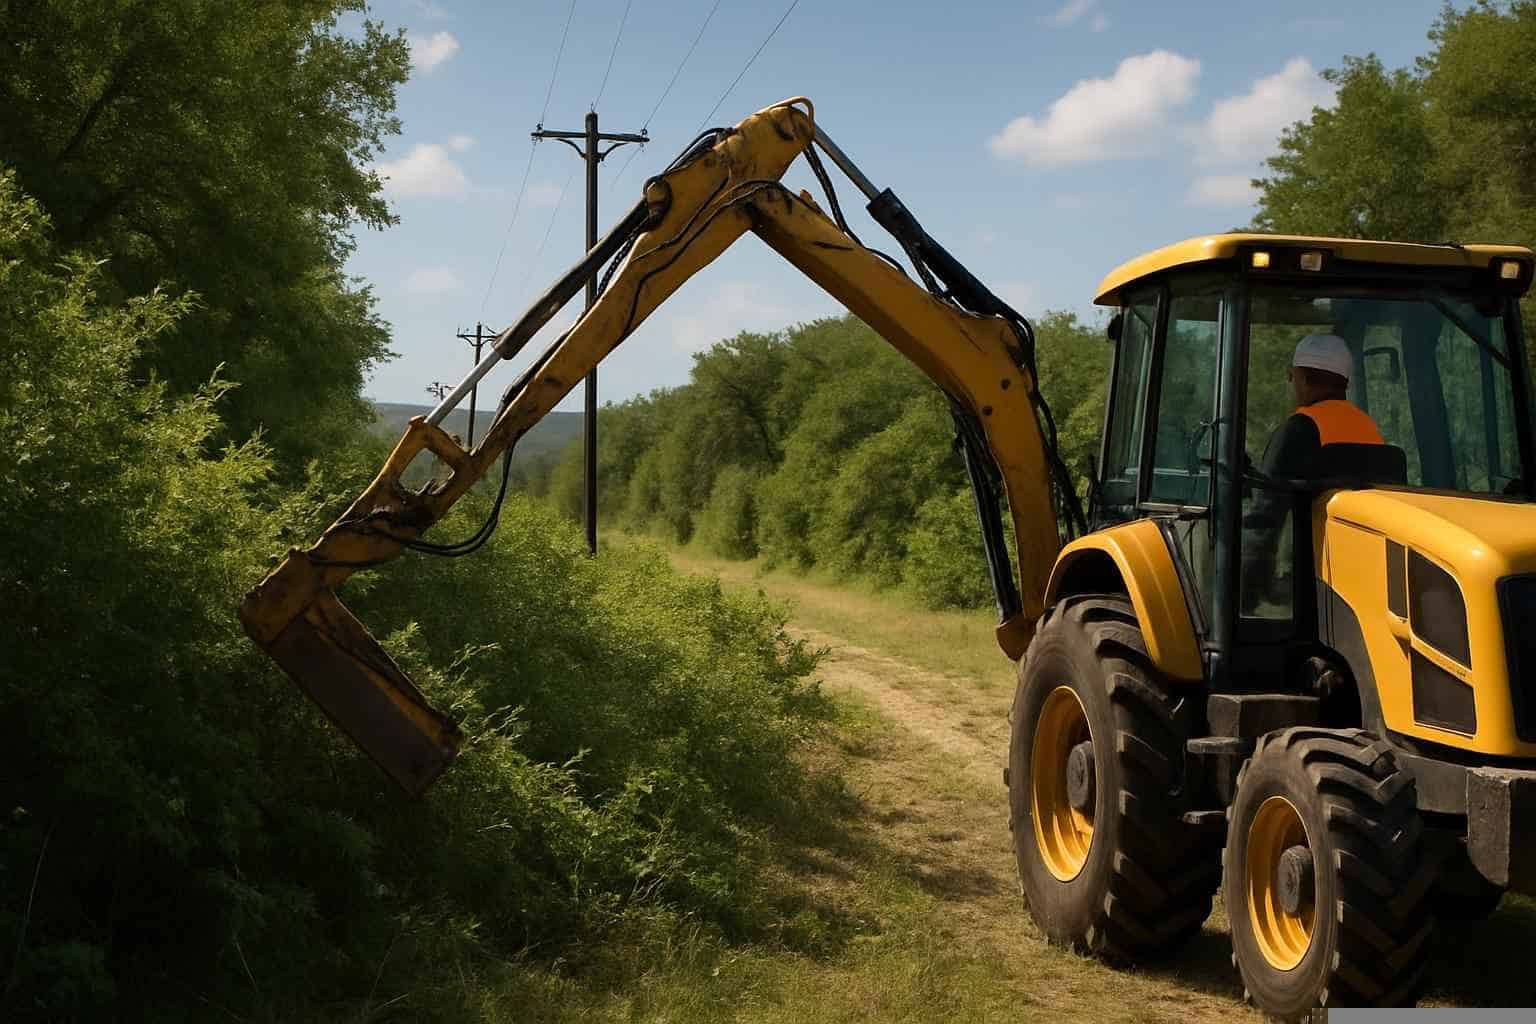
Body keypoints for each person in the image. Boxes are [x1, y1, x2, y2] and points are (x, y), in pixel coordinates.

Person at [1242, 333, 1384, 613]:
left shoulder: (1298, 430)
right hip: (1365, 582)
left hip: (1312, 588)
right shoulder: (1371, 430)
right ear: (1344, 383)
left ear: (1303, 379)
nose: (1291, 384)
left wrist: (1247, 595)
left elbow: (1264, 520)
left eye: (1291, 376)